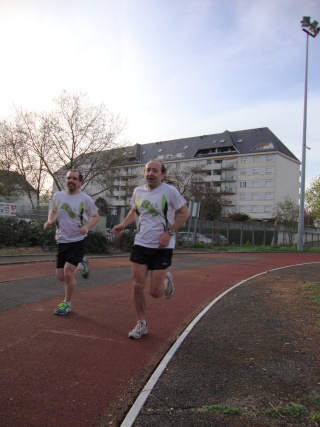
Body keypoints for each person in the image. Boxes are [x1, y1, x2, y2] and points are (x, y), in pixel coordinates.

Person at [113, 160, 190, 339]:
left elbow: (185, 213)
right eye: (148, 170)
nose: (150, 173)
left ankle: (166, 281)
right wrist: (123, 225)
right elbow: (135, 210)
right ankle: (142, 323)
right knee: (137, 284)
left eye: (155, 171)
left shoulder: (170, 191)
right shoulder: (138, 191)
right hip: (141, 243)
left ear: (162, 175)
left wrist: (169, 233)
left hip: (162, 245)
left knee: (155, 292)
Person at [44, 169, 100, 315]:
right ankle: (82, 265)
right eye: (69, 178)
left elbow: (95, 216)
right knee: (60, 276)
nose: (71, 181)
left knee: (68, 274)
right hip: (62, 240)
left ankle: (67, 303)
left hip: (77, 240)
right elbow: (54, 211)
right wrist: (49, 221)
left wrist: (86, 227)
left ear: (80, 183)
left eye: (75, 179)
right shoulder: (58, 196)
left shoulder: (85, 199)